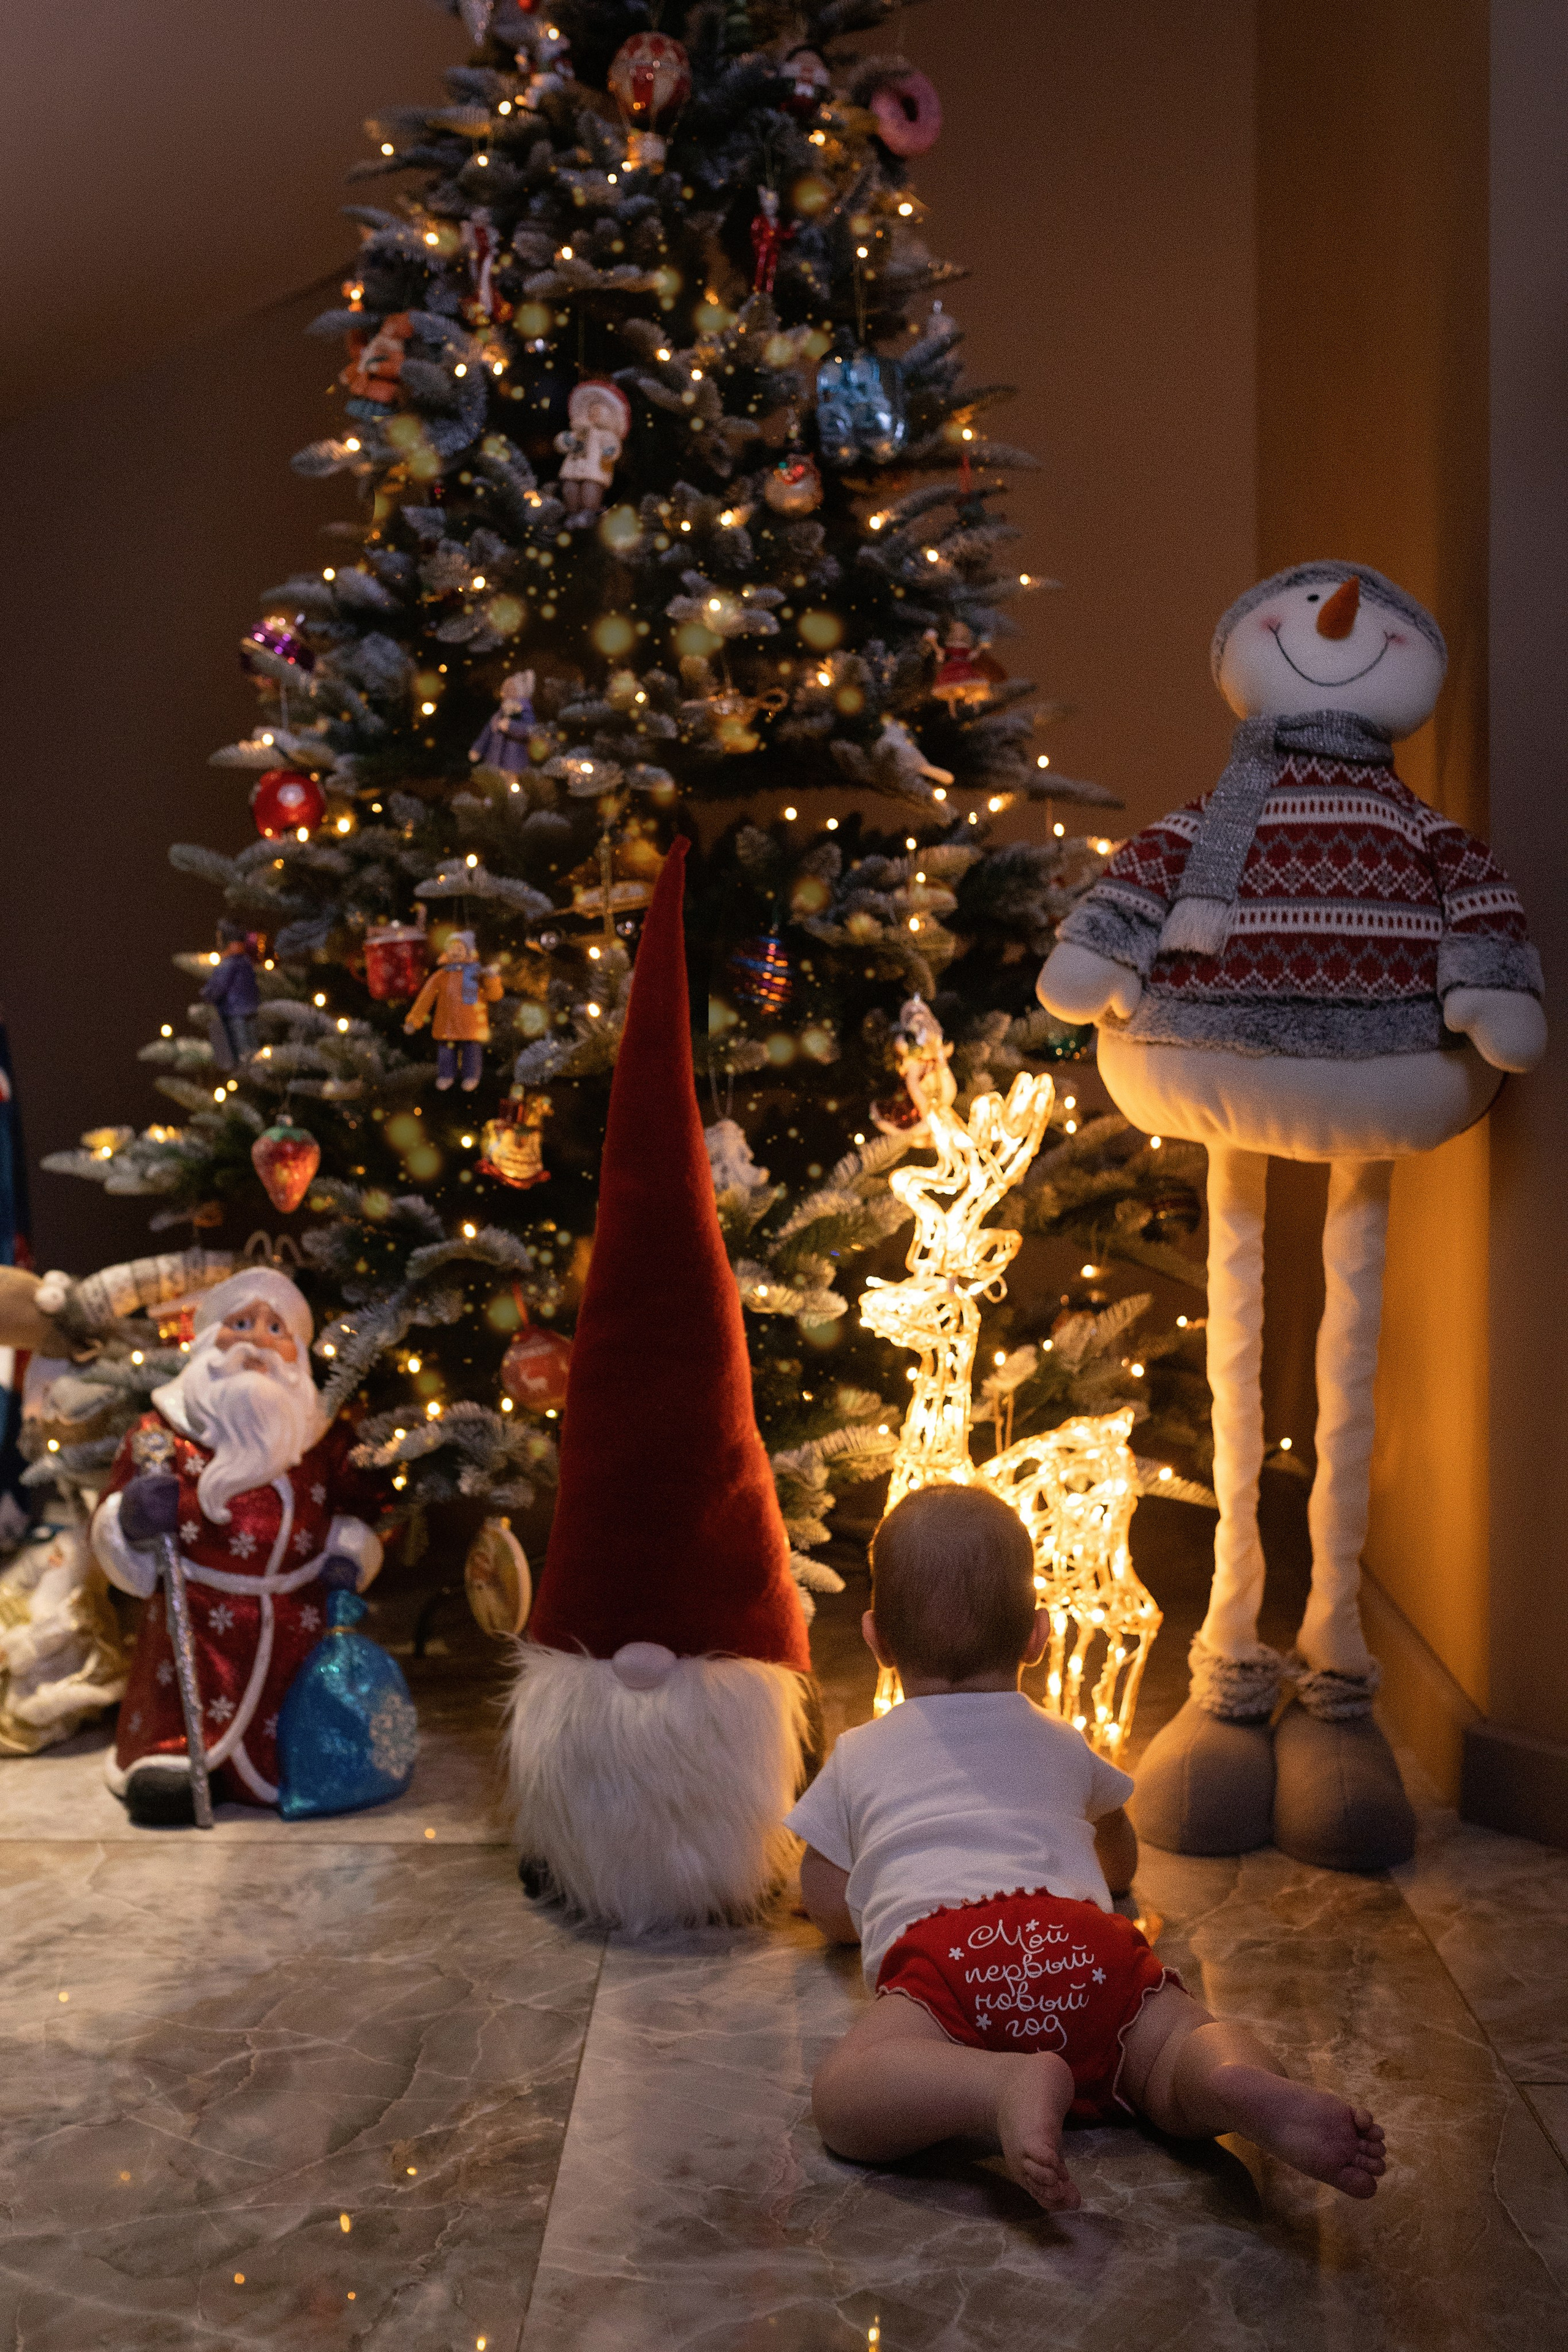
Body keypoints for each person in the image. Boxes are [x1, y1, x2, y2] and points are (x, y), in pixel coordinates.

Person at [788, 1483, 1387, 2214]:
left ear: (877, 1640)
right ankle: (1230, 2082)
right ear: (1038, 1638)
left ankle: (995, 2086)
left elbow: (826, 1899)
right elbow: (1117, 1860)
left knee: (848, 2095)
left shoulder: (857, 1754)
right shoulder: (1063, 1741)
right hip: (1084, 1945)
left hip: (948, 1960)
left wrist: (861, 1912)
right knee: (1172, 2047)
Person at [91, 1269, 383, 1823]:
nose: (256, 1341)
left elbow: (358, 1511)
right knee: (185, 1713)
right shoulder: (160, 1435)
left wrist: (348, 1552)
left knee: (297, 1731)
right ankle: (173, 1756)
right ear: (205, 1342)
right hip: (195, 1624)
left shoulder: (322, 1439)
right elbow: (117, 1546)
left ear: (296, 1352)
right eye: (241, 1323)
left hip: (297, 1622)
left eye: (276, 1328)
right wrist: (128, 1522)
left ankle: (286, 1757)